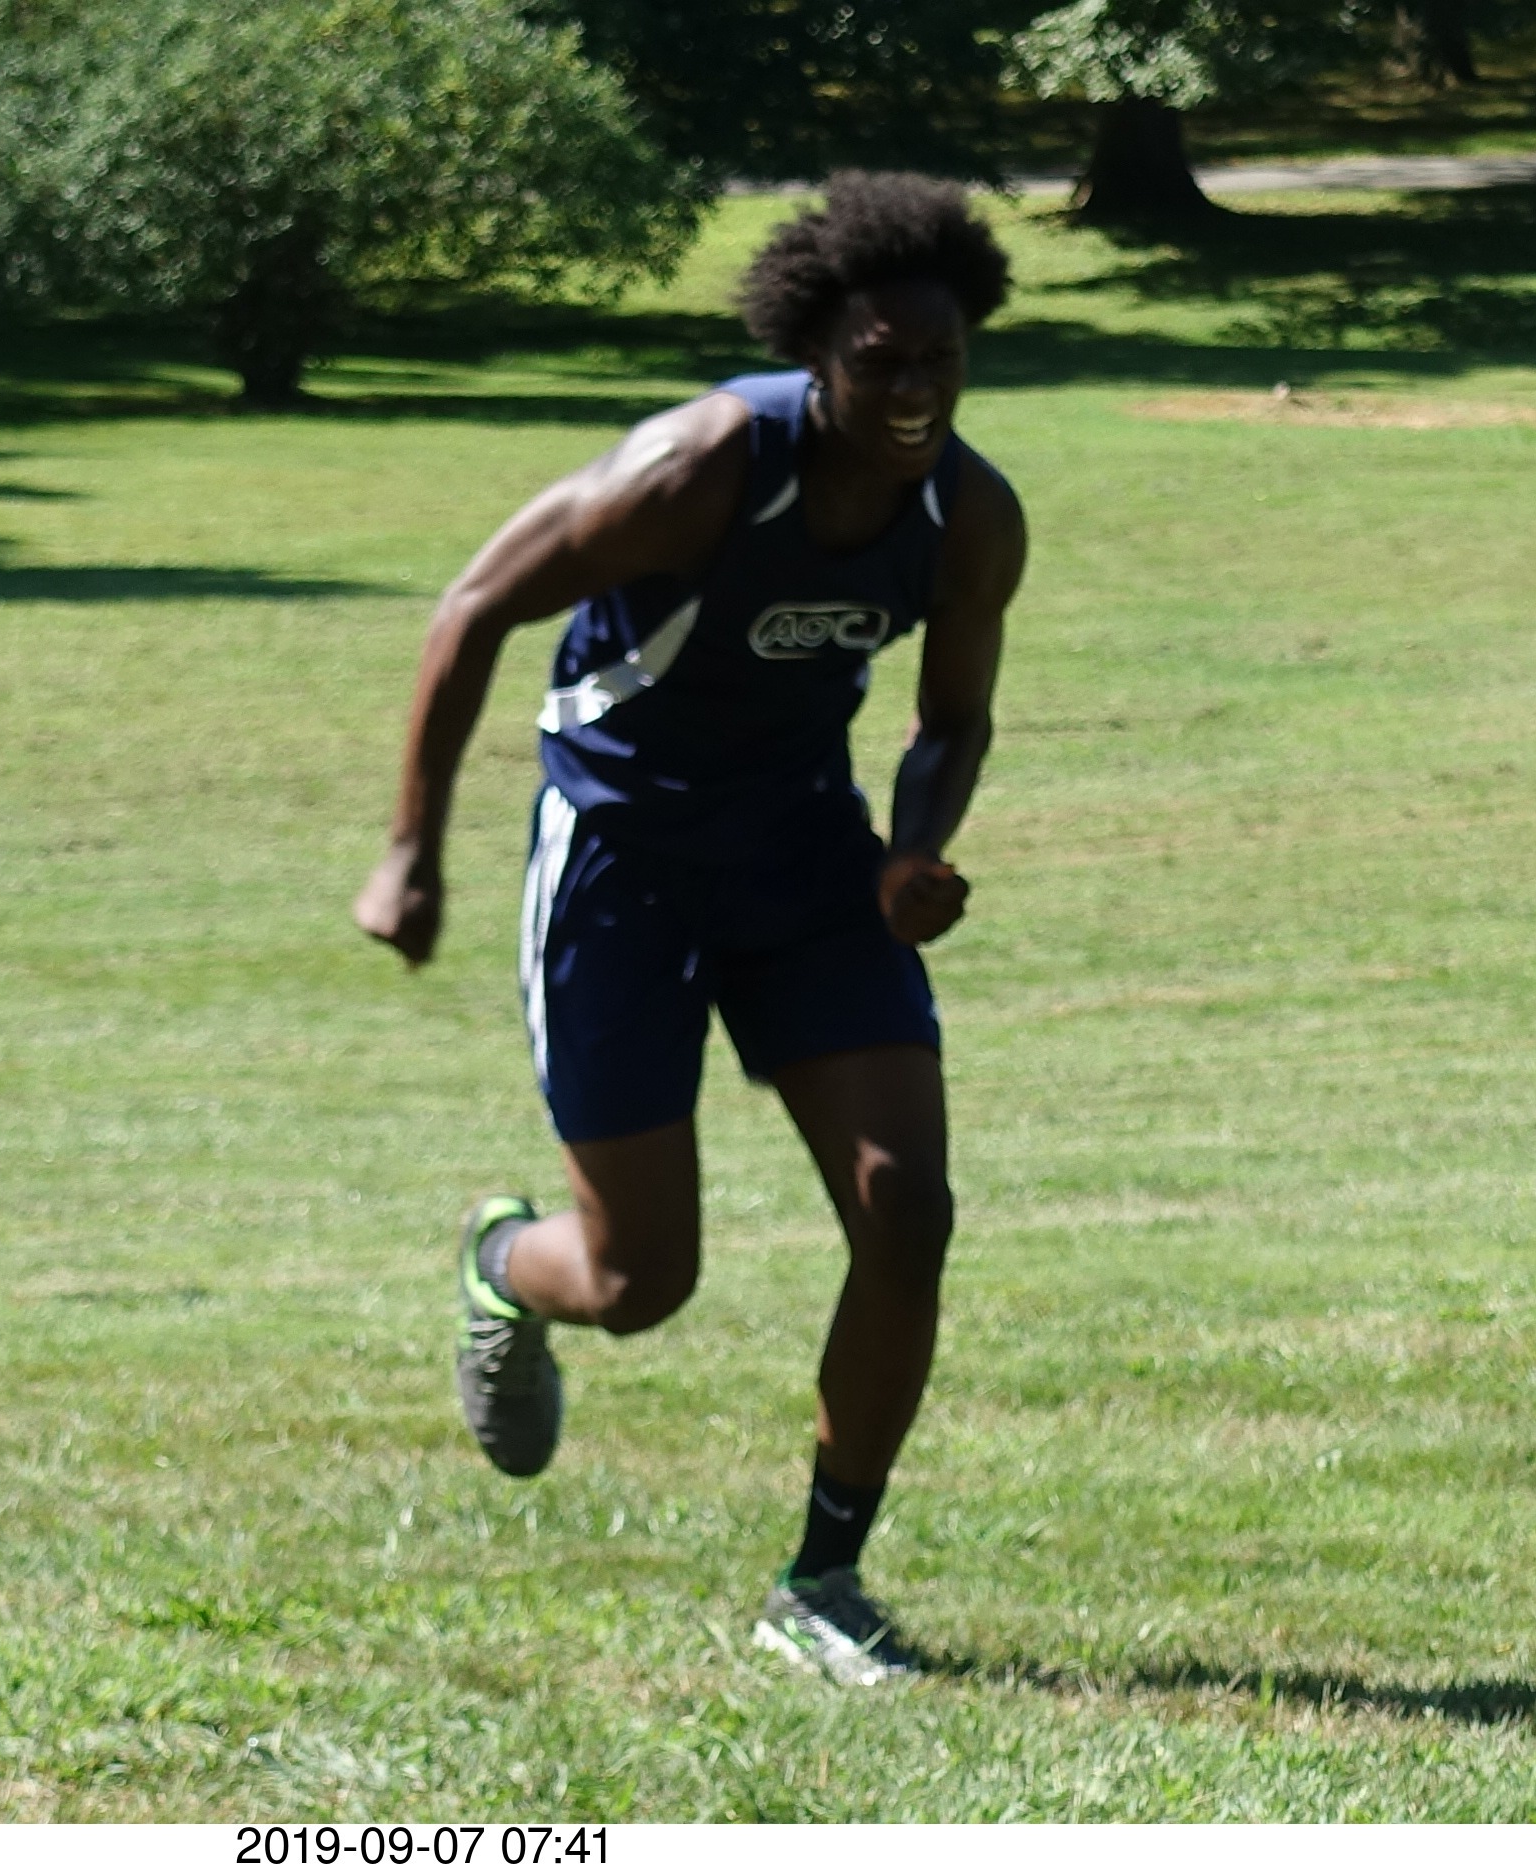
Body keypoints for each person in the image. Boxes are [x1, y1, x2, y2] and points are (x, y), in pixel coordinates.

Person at [353, 173, 1025, 1685]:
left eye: (941, 361)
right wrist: (409, 854)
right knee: (637, 1283)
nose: (915, 393)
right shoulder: (701, 465)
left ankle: (823, 1583)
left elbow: (953, 719)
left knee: (907, 1209)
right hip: (621, 861)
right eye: (882, 363)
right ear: (817, 354)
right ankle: (503, 1262)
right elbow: (474, 607)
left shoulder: (969, 515)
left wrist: (916, 852)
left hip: (804, 859)